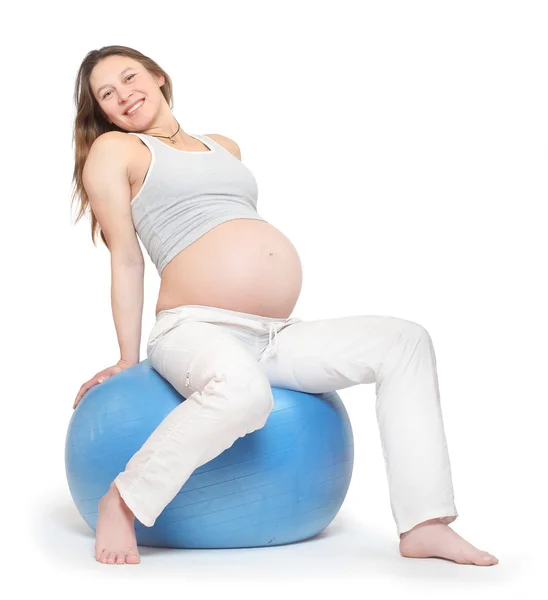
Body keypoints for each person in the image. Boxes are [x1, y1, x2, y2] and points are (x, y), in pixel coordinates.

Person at [70, 45, 498, 567]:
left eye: (129, 78)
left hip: (274, 333)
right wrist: (125, 356)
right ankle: (124, 500)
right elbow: (127, 260)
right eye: (107, 94)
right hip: (194, 328)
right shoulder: (116, 150)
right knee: (243, 396)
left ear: (159, 77)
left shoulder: (224, 145)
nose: (123, 96)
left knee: (404, 341)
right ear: (104, 112)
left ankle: (425, 523)